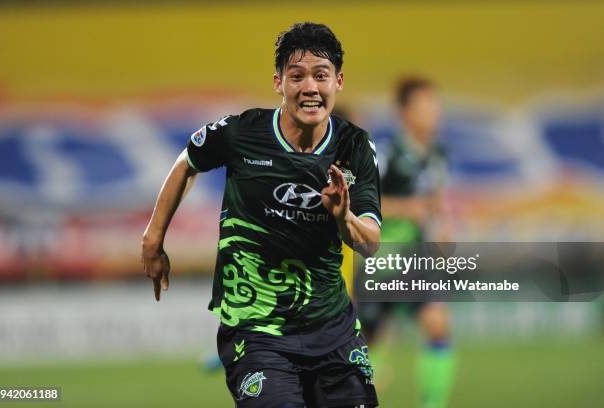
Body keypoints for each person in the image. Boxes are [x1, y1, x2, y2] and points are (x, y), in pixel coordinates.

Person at [141, 22, 381, 408]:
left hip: (332, 330)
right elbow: (188, 161)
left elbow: (369, 243)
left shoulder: (354, 147)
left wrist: (344, 218)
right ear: (278, 82)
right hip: (257, 331)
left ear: (338, 81)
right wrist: (153, 239)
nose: (310, 88)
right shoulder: (241, 134)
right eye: (296, 76)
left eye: (321, 76)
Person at [357, 77, 455, 408]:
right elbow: (361, 201)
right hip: (381, 261)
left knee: (438, 325)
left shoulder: (438, 153)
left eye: (435, 105)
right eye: (425, 106)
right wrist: (405, 208)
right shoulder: (386, 155)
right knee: (367, 343)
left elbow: (435, 202)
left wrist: (440, 228)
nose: (433, 113)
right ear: (405, 113)